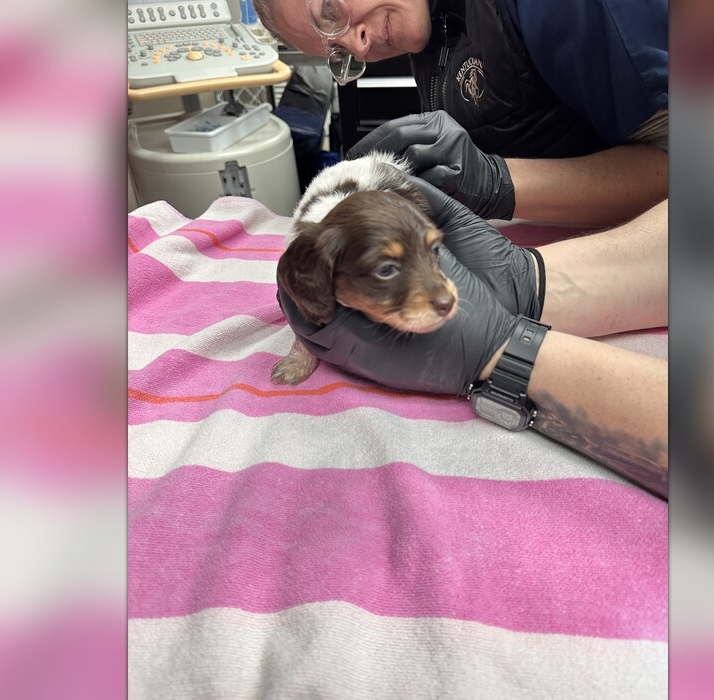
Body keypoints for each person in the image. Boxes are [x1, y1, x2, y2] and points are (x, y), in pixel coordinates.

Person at [277, 178, 670, 498]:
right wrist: (525, 282)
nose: (445, 296)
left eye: (434, 250)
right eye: (386, 269)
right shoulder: (319, 250)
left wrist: (502, 351)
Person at [253, 0, 669, 227]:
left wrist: (499, 184)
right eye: (338, 52)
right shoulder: (433, 28)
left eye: (329, 11)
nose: (359, 46)